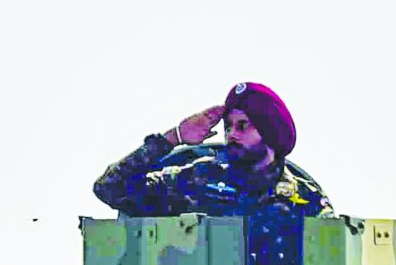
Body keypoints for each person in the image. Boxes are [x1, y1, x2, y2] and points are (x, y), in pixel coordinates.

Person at [93, 82, 331, 218]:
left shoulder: (306, 202)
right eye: (228, 127)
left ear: (269, 133)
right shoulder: (198, 180)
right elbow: (109, 187)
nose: (232, 135)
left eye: (243, 126)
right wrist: (174, 137)